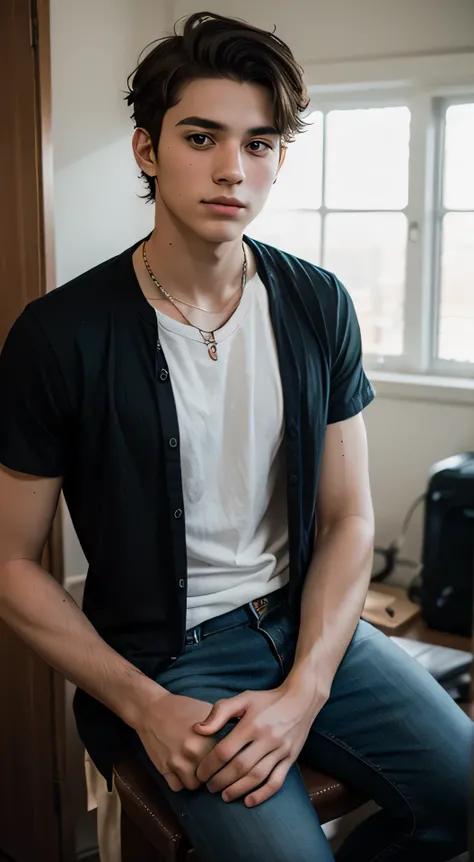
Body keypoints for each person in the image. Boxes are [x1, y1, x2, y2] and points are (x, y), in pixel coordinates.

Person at [0, 11, 470, 862]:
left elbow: (350, 517)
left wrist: (307, 687)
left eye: (259, 144)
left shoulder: (318, 304)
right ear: (147, 150)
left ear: (279, 159)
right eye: (201, 136)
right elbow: (10, 565)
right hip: (170, 663)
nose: (231, 169)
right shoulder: (58, 335)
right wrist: (143, 706)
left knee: (464, 797)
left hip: (311, 624)